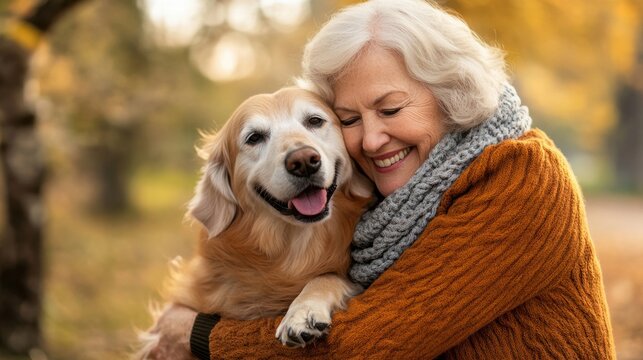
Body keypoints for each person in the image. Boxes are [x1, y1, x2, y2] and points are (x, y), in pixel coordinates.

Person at [146, 0, 616, 358]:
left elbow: (370, 345)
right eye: (348, 118)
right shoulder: (387, 208)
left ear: (449, 93)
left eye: (390, 109)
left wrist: (199, 334)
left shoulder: (524, 178)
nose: (371, 140)